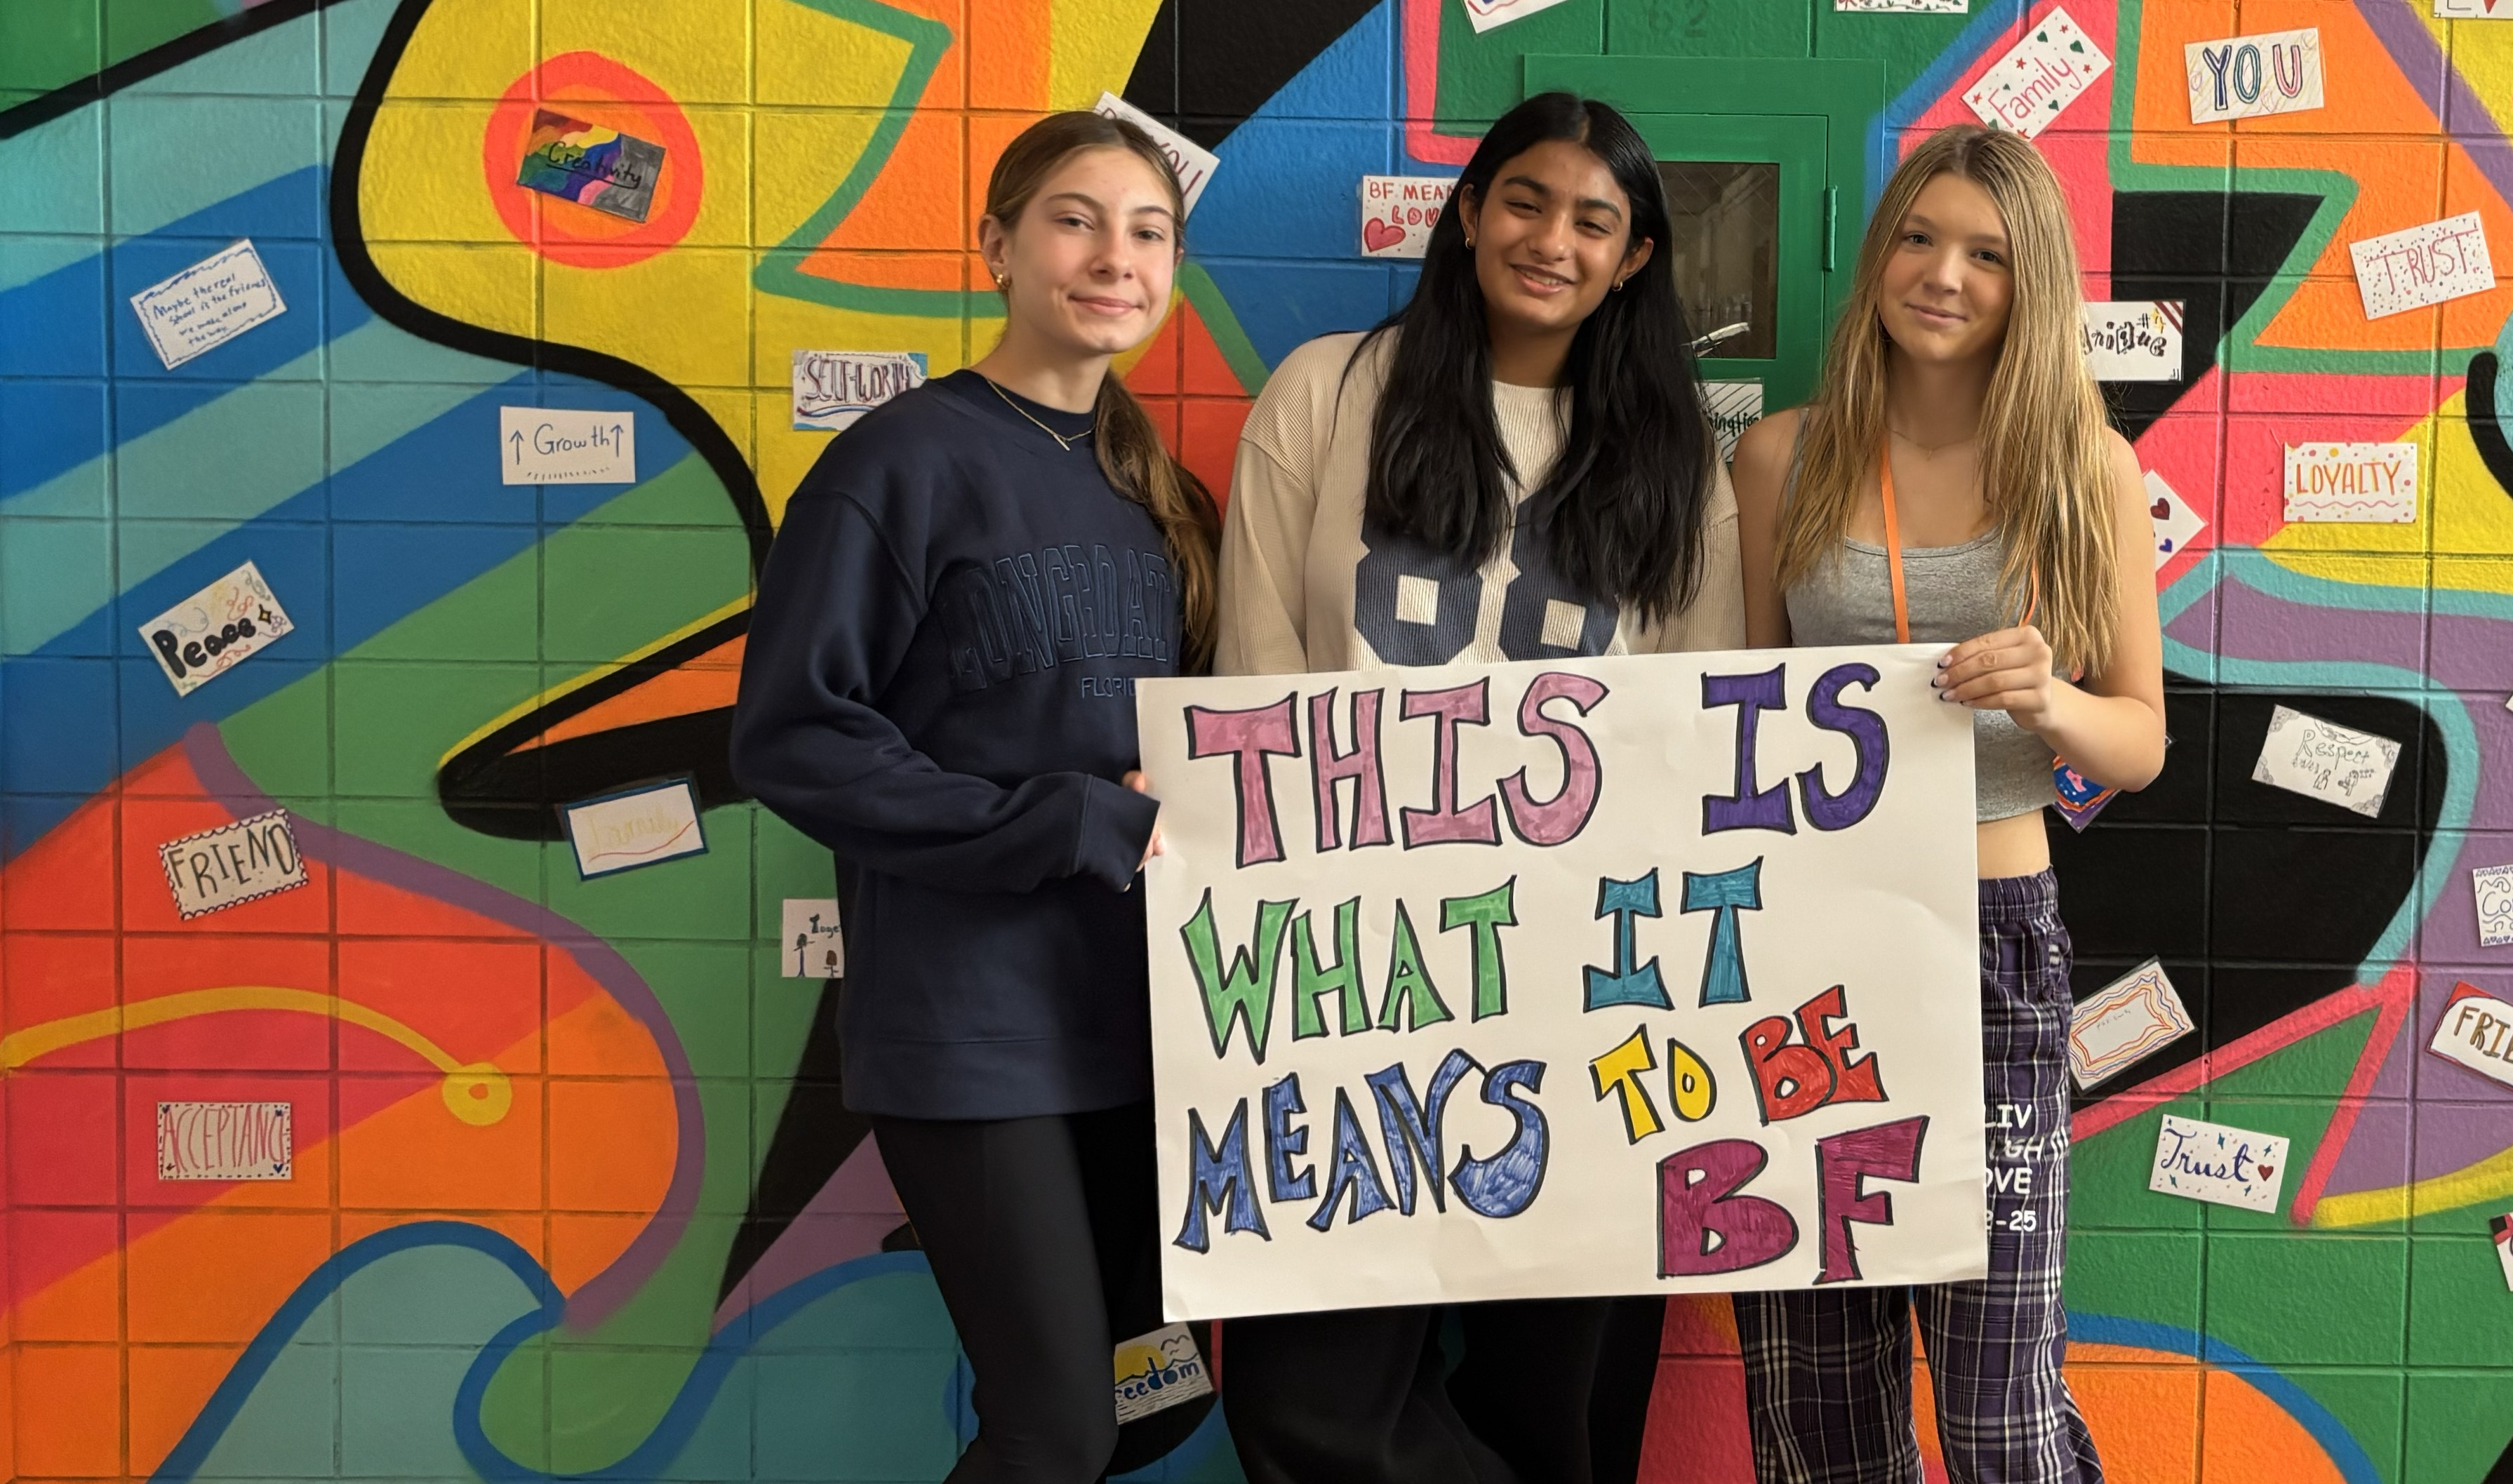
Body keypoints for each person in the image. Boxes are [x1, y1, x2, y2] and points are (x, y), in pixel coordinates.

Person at [1211, 91, 1740, 1484]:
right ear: (1465, 210)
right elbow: (1254, 671)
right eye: (1524, 199)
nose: (1550, 238)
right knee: (1305, 1404)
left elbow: (1698, 735)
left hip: (1583, 985)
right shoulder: (1329, 391)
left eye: (1593, 219)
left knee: (1554, 1410)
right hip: (1344, 976)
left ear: (1633, 258)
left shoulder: (1673, 456)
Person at [728, 109, 1220, 1483]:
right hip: (971, 1031)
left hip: (1139, 1028)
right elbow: (791, 737)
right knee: (1053, 1426)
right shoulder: (902, 462)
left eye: (1147, 230)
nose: (1111, 256)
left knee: (1148, 1406)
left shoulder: (1157, 489)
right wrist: (1046, 820)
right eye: (1074, 218)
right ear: (997, 243)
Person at [1720, 123, 2165, 1484]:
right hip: (1811, 943)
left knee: (1998, 1413)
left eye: (1987, 251)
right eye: (1920, 236)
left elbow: (2139, 740)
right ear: (1880, 254)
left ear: (2032, 284)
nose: (1944, 274)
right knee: (1822, 1407)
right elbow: (1737, 723)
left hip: (1991, 933)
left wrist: (2045, 697)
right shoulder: (1779, 459)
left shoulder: (2083, 466)